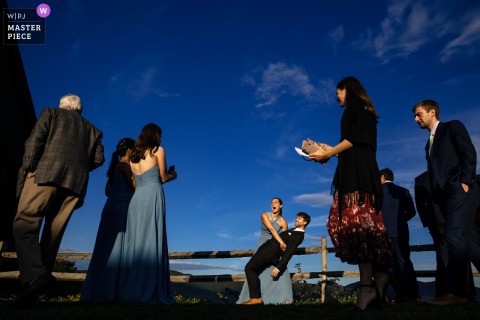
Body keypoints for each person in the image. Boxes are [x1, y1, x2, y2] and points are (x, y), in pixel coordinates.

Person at [12, 94, 105, 308]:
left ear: (62, 106)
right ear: (79, 109)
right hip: (74, 185)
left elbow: (34, 141)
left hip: (44, 175)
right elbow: (99, 159)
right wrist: (79, 168)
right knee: (52, 237)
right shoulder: (94, 130)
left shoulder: (51, 113)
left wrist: (29, 168)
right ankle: (31, 292)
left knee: (25, 223)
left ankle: (34, 277)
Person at [308, 76, 392, 310]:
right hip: (359, 175)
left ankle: (367, 287)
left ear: (346, 88)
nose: (336, 97)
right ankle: (380, 279)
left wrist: (329, 152)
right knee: (364, 227)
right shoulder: (361, 110)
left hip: (358, 181)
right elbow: (355, 146)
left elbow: (355, 140)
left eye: (338, 92)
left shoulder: (357, 107)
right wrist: (330, 150)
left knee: (358, 228)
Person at [413, 99, 480, 305]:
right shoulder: (428, 144)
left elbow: (468, 152)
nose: (416, 119)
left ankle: (456, 293)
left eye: (419, 114)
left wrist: (465, 181)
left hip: (460, 191)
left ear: (432, 112)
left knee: (453, 236)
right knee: (471, 242)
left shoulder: (452, 127)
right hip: (446, 198)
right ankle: (464, 294)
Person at [117, 123, 177, 304]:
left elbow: (135, 182)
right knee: (151, 238)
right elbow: (163, 177)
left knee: (136, 241)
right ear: (156, 136)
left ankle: (132, 286)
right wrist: (174, 175)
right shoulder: (158, 150)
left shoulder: (134, 156)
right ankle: (150, 288)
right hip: (152, 195)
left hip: (137, 198)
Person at [81, 138, 136, 302]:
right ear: (128, 151)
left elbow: (107, 192)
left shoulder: (113, 169)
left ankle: (99, 290)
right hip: (122, 208)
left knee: (105, 247)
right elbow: (136, 186)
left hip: (110, 207)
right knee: (120, 248)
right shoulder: (126, 167)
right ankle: (115, 291)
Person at [414, 171, 476, 300]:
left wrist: (427, 222)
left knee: (442, 256)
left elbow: (420, 205)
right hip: (455, 217)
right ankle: (467, 292)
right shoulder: (451, 174)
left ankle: (443, 292)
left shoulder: (421, 179)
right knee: (461, 254)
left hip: (435, 221)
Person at [242, 212, 311, 305]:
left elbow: (289, 252)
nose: (296, 219)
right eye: (296, 218)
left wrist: (278, 267)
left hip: (269, 252)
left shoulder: (299, 236)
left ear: (305, 222)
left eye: (299, 218)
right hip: (266, 249)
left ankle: (255, 298)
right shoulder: (294, 231)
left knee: (249, 268)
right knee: (251, 268)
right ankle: (255, 297)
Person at [237, 197, 293, 305]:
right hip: (262, 244)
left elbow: (285, 237)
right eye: (272, 202)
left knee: (281, 270)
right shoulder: (264, 215)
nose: (273, 204)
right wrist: (281, 242)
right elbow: (272, 229)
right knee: (256, 270)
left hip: (274, 246)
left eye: (276, 202)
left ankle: (285, 299)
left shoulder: (283, 222)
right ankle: (253, 297)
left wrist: (282, 245)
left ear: (281, 205)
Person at [379, 168, 419, 303]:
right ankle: (412, 295)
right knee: (405, 263)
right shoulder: (404, 191)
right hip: (401, 231)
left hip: (383, 233)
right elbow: (412, 212)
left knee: (387, 265)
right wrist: (401, 220)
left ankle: (393, 296)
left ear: (382, 177)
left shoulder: (378, 193)